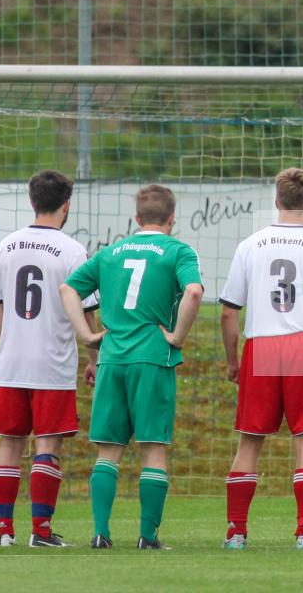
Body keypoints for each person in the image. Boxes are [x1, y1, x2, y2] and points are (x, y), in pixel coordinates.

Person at [60, 184, 205, 551]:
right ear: (172, 218)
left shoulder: (110, 253)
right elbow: (194, 292)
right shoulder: (178, 250)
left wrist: (87, 335)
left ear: (136, 218)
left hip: (112, 358)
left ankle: (100, 533)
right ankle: (147, 536)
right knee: (153, 448)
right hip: (153, 358)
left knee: (108, 450)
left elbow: (67, 289)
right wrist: (177, 336)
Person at [217, 167, 303, 550]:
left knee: (249, 443)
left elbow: (229, 312)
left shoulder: (250, 245)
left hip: (261, 345)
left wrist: (232, 360)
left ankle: (236, 533)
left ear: (277, 201)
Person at [0, 170, 97, 547]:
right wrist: (93, 356)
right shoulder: (72, 250)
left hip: (12, 363)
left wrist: (8, 346)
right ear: (66, 205)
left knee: (9, 445)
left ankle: (4, 532)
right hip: (53, 363)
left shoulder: (7, 246)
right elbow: (86, 310)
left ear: (32, 202)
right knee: (47, 445)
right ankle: (41, 532)